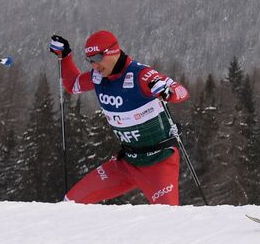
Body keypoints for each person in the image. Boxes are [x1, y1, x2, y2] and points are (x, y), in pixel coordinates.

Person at [49, 30, 189, 205]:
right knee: (70, 203)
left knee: (168, 220)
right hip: (126, 164)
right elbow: (72, 85)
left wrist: (168, 92)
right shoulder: (97, 77)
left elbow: (182, 91)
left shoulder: (141, 74)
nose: (95, 65)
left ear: (113, 51)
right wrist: (66, 57)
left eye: (98, 58)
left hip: (159, 163)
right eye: (90, 60)